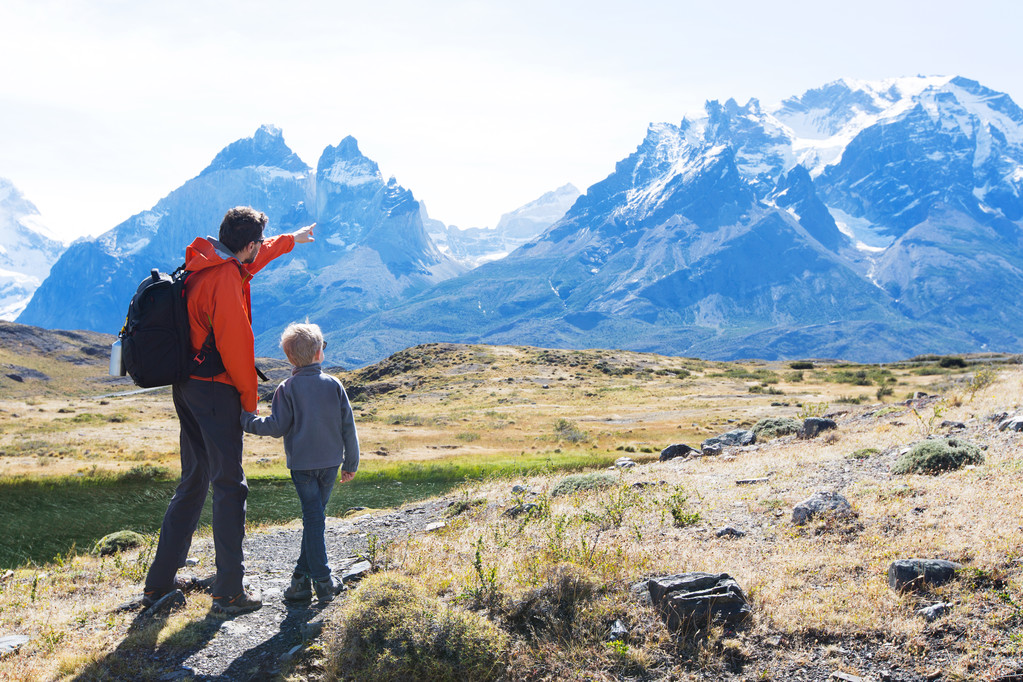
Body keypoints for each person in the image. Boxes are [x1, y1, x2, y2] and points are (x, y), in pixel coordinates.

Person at [143, 206, 315, 616]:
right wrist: (249, 405)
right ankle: (229, 592)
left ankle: (159, 584)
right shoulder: (224, 278)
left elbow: (257, 256)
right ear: (247, 245)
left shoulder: (202, 264)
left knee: (195, 480)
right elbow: (238, 348)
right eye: (258, 244)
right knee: (229, 486)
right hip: (215, 390)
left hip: (186, 385)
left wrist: (290, 240)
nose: (258, 250)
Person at [240, 322, 360, 603]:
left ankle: (310, 582)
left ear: (290, 358)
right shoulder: (334, 385)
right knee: (315, 519)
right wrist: (351, 463)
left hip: (302, 467)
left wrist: (246, 420)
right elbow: (348, 427)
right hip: (331, 464)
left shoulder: (287, 388)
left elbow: (276, 427)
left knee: (314, 519)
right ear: (319, 353)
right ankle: (313, 582)